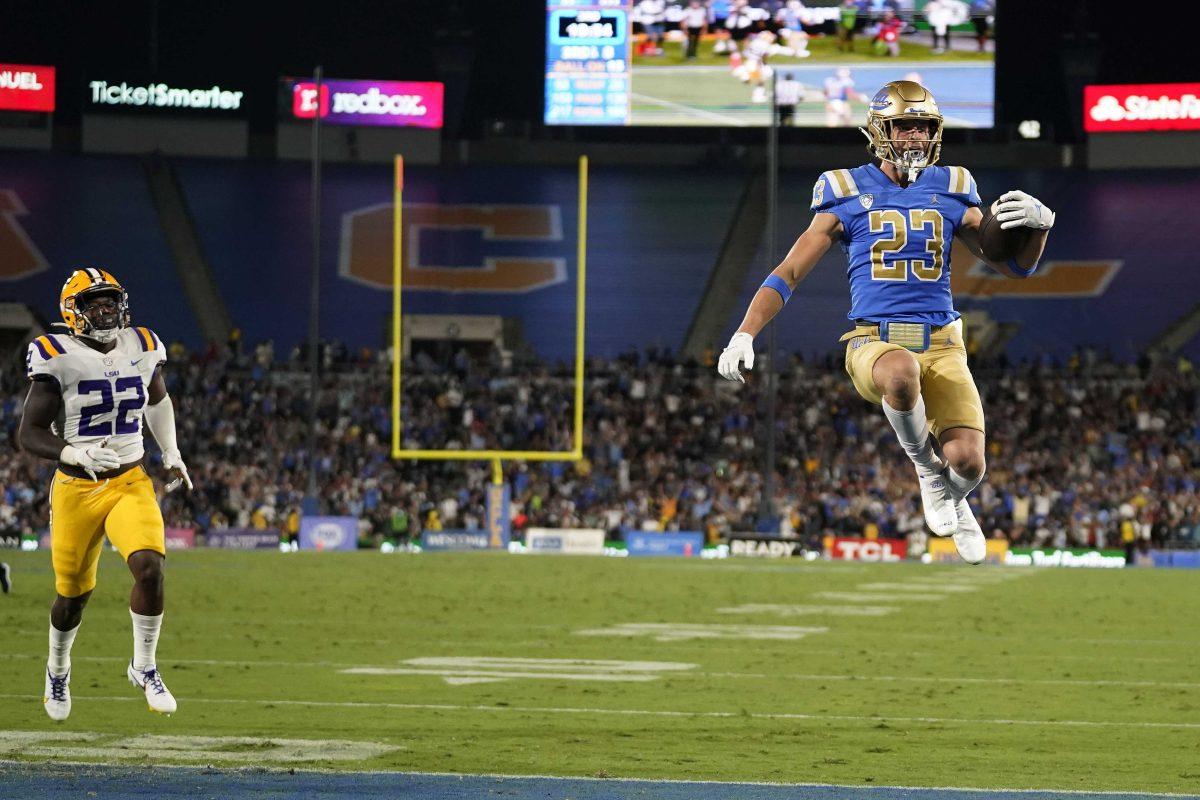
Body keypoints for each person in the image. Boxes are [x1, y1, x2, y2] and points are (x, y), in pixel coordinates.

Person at [717, 80, 1056, 564]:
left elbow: (1015, 266)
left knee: (969, 464)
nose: (916, 136)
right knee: (900, 374)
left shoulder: (954, 185)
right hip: (873, 340)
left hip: (943, 341)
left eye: (924, 127)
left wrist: (1039, 228)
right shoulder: (845, 188)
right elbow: (790, 271)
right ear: (881, 129)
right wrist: (745, 331)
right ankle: (925, 469)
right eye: (905, 126)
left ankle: (952, 495)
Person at [19, 269, 193, 720]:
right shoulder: (55, 354)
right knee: (73, 596)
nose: (106, 310)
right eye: (95, 303)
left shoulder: (142, 343)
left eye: (111, 301)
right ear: (73, 311)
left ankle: (145, 666)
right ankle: (57, 670)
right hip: (77, 488)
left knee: (150, 567)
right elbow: (29, 433)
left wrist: (171, 452)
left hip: (129, 478)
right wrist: (73, 453)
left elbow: (157, 401)